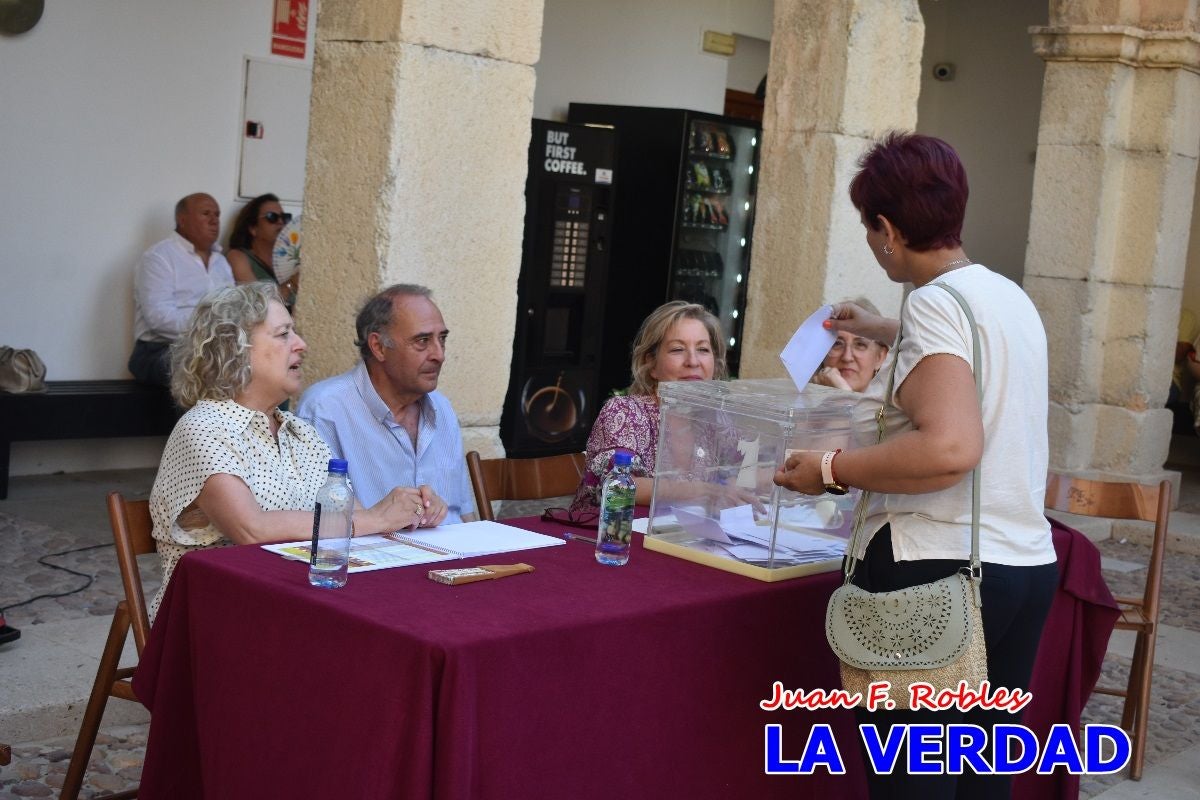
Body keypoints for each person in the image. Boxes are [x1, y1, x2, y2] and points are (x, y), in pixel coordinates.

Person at [773, 132, 1058, 799]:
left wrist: (832, 469)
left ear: (889, 229)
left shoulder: (933, 305)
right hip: (1021, 564)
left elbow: (949, 449)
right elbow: (966, 356)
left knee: (912, 786)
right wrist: (877, 329)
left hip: (939, 567)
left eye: (870, 230)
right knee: (983, 783)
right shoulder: (1003, 296)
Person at [148, 283, 447, 618]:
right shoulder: (204, 426)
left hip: (297, 603)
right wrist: (375, 518)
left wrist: (409, 510)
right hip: (217, 613)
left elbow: (355, 519)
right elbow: (251, 529)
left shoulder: (298, 431)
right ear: (235, 348)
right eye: (283, 334)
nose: (301, 345)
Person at [296, 284, 476, 522]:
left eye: (441, 339)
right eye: (422, 341)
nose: (439, 354)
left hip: (456, 554)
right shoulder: (325, 409)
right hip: (375, 556)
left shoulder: (441, 408)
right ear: (378, 347)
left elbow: (465, 515)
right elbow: (320, 522)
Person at [569, 300, 728, 513]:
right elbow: (617, 486)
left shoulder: (716, 421)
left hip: (681, 539)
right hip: (609, 539)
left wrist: (784, 470)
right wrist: (701, 491)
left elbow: (744, 473)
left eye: (703, 349)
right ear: (651, 364)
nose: (693, 361)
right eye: (678, 349)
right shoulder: (625, 412)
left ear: (715, 364)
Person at [129, 193, 235, 387]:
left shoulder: (221, 262)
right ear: (182, 220)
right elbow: (159, 318)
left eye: (217, 215)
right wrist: (211, 328)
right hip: (158, 350)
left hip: (213, 346)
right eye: (206, 213)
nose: (214, 220)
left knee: (263, 362)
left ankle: (267, 418)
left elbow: (232, 309)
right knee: (202, 367)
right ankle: (195, 419)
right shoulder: (159, 258)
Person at [226, 193, 299, 310]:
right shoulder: (238, 257)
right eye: (272, 217)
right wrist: (291, 284)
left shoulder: (291, 259)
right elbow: (256, 305)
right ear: (253, 228)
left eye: (285, 217)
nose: (281, 222)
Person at [810, 297, 890, 393]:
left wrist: (843, 397)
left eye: (860, 345)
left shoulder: (896, 406)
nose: (847, 357)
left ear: (880, 357)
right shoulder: (799, 404)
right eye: (837, 344)